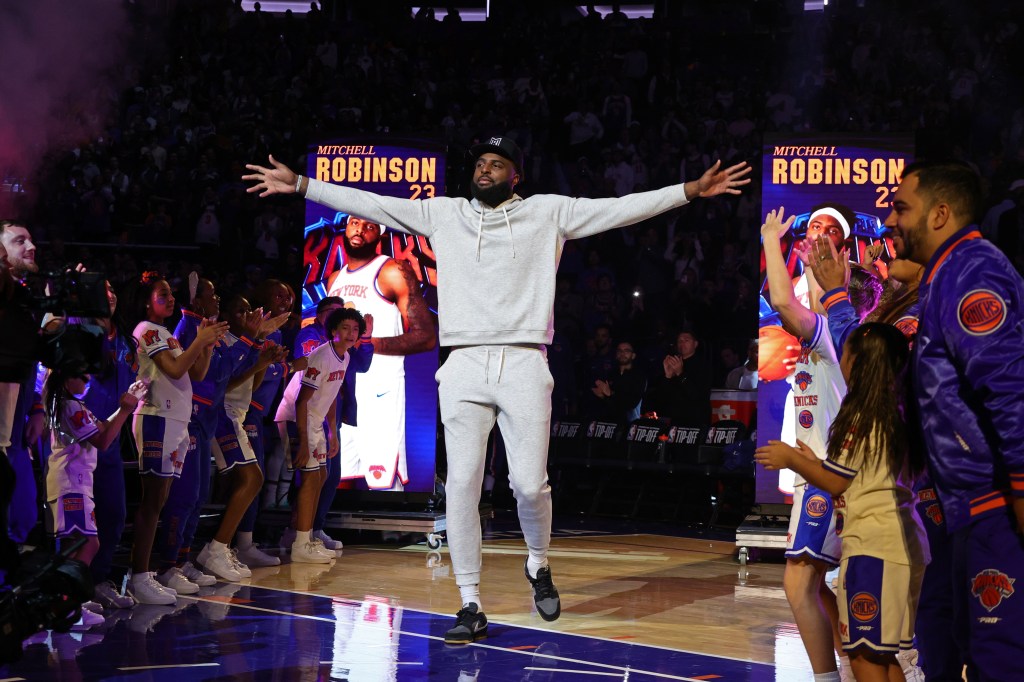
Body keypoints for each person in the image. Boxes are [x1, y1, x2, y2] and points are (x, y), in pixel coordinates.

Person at [244, 135, 749, 643]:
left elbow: (618, 209)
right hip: (463, 363)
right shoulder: (445, 214)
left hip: (525, 361)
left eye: (497, 163)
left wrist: (689, 190)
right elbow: (373, 203)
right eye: (481, 163)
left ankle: (538, 562)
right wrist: (302, 184)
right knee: (461, 486)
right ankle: (470, 602)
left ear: (516, 176)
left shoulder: (547, 212)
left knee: (529, 485)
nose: (484, 170)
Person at [885, 160, 1024, 680]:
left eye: (902, 208)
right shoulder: (948, 272)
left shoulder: (972, 272)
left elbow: (1010, 390)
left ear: (940, 214)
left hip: (995, 505)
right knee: (970, 649)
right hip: (968, 506)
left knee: (1000, 658)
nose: (892, 220)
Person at [755, 323, 929, 682]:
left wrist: (792, 459)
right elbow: (862, 473)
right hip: (900, 544)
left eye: (845, 352)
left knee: (864, 658)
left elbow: (836, 481)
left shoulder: (862, 418)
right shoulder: (897, 410)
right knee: (881, 655)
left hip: (874, 548)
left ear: (858, 363)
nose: (840, 358)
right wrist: (814, 461)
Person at [762, 206, 880, 682]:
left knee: (798, 584)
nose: (820, 240)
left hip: (827, 472)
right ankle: (849, 665)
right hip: (819, 469)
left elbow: (781, 299)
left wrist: (771, 237)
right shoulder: (828, 332)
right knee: (818, 586)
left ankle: (827, 677)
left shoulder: (830, 332)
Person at [124, 271, 228, 604]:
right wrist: (199, 340)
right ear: (146, 302)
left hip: (175, 422)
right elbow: (174, 369)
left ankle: (153, 572)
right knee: (152, 502)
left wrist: (205, 344)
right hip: (156, 418)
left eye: (171, 294)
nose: (170, 299)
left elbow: (196, 372)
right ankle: (139, 577)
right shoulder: (146, 329)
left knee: (163, 500)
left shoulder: (166, 333)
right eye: (162, 295)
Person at [324, 214, 436, 492]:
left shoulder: (392, 271)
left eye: (369, 226)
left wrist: (367, 344)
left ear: (380, 235)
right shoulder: (334, 279)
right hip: (342, 388)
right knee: (337, 478)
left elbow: (426, 337)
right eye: (354, 223)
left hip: (379, 389)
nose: (360, 229)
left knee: (383, 482)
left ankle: (393, 521)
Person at [43, 364, 145, 627]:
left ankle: (68, 601)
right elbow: (103, 440)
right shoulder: (70, 406)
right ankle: (67, 604)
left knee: (76, 545)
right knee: (87, 544)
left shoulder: (71, 405)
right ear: (67, 379)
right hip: (71, 485)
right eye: (82, 374)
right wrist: (126, 409)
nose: (88, 378)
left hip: (74, 484)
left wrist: (126, 404)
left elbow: (101, 428)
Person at [276, 296, 373, 554]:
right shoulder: (321, 355)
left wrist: (332, 434)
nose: (351, 334)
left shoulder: (345, 357)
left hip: (315, 419)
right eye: (345, 328)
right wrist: (304, 440)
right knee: (310, 478)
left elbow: (331, 396)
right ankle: (300, 541)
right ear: (332, 330)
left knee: (321, 476)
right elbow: (301, 401)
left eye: (355, 329)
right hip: (296, 417)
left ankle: (305, 536)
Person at [642, 330, 712, 427]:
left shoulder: (703, 365)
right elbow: (660, 398)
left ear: (695, 344)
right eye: (680, 341)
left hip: (696, 421)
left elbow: (697, 395)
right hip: (675, 421)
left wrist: (680, 373)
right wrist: (667, 376)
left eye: (686, 340)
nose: (682, 343)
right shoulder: (673, 363)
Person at [590, 341, 646, 423]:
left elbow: (631, 403)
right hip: (609, 423)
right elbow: (605, 403)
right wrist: (603, 396)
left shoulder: (639, 376)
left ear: (633, 355)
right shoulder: (611, 374)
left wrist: (609, 395)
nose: (622, 353)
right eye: (619, 351)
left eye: (626, 351)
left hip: (630, 424)